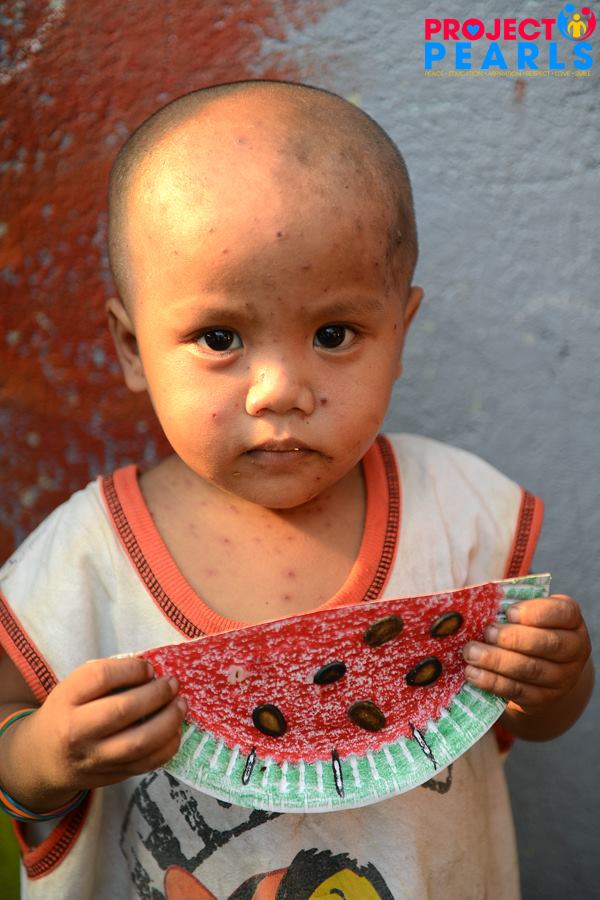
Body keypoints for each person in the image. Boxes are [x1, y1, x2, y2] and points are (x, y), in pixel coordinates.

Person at [0, 80, 593, 900]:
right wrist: (43, 757)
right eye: (219, 338)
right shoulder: (86, 556)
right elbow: (9, 741)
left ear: (400, 333)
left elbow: (531, 717)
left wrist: (556, 684)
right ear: (133, 348)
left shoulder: (462, 515)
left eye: (333, 334)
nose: (280, 390)